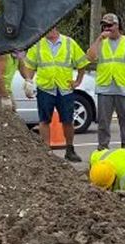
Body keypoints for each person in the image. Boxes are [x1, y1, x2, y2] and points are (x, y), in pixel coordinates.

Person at [20, 23, 88, 162]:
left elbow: (82, 63)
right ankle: (47, 151)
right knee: (44, 120)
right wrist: (28, 81)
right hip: (46, 88)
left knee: (68, 120)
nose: (48, 30)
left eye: (51, 27)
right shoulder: (38, 45)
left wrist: (78, 81)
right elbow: (29, 65)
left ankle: (70, 149)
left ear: (56, 27)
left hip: (64, 88)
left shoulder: (69, 43)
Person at [87, 12, 125, 151]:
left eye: (110, 25)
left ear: (117, 26)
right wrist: (99, 39)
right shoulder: (101, 43)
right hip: (104, 88)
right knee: (103, 123)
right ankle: (102, 148)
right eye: (104, 26)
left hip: (123, 88)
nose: (107, 28)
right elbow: (90, 57)